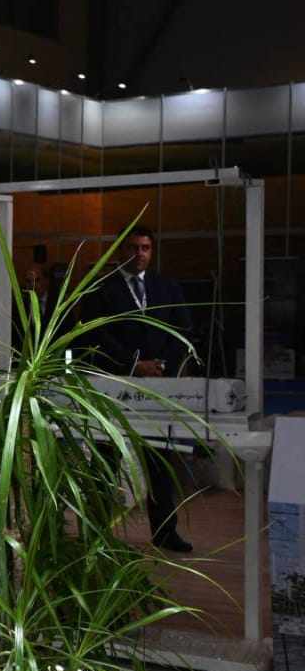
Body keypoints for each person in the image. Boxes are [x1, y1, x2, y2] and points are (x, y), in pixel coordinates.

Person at [85, 227, 195, 552]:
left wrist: (162, 366)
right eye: (133, 247)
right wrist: (133, 364)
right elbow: (96, 335)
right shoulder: (102, 290)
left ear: (152, 251)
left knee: (160, 463)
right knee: (106, 460)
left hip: (157, 388)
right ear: (121, 251)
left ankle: (165, 532)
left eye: (145, 247)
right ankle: (97, 532)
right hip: (115, 386)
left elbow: (183, 330)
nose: (139, 253)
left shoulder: (167, 287)